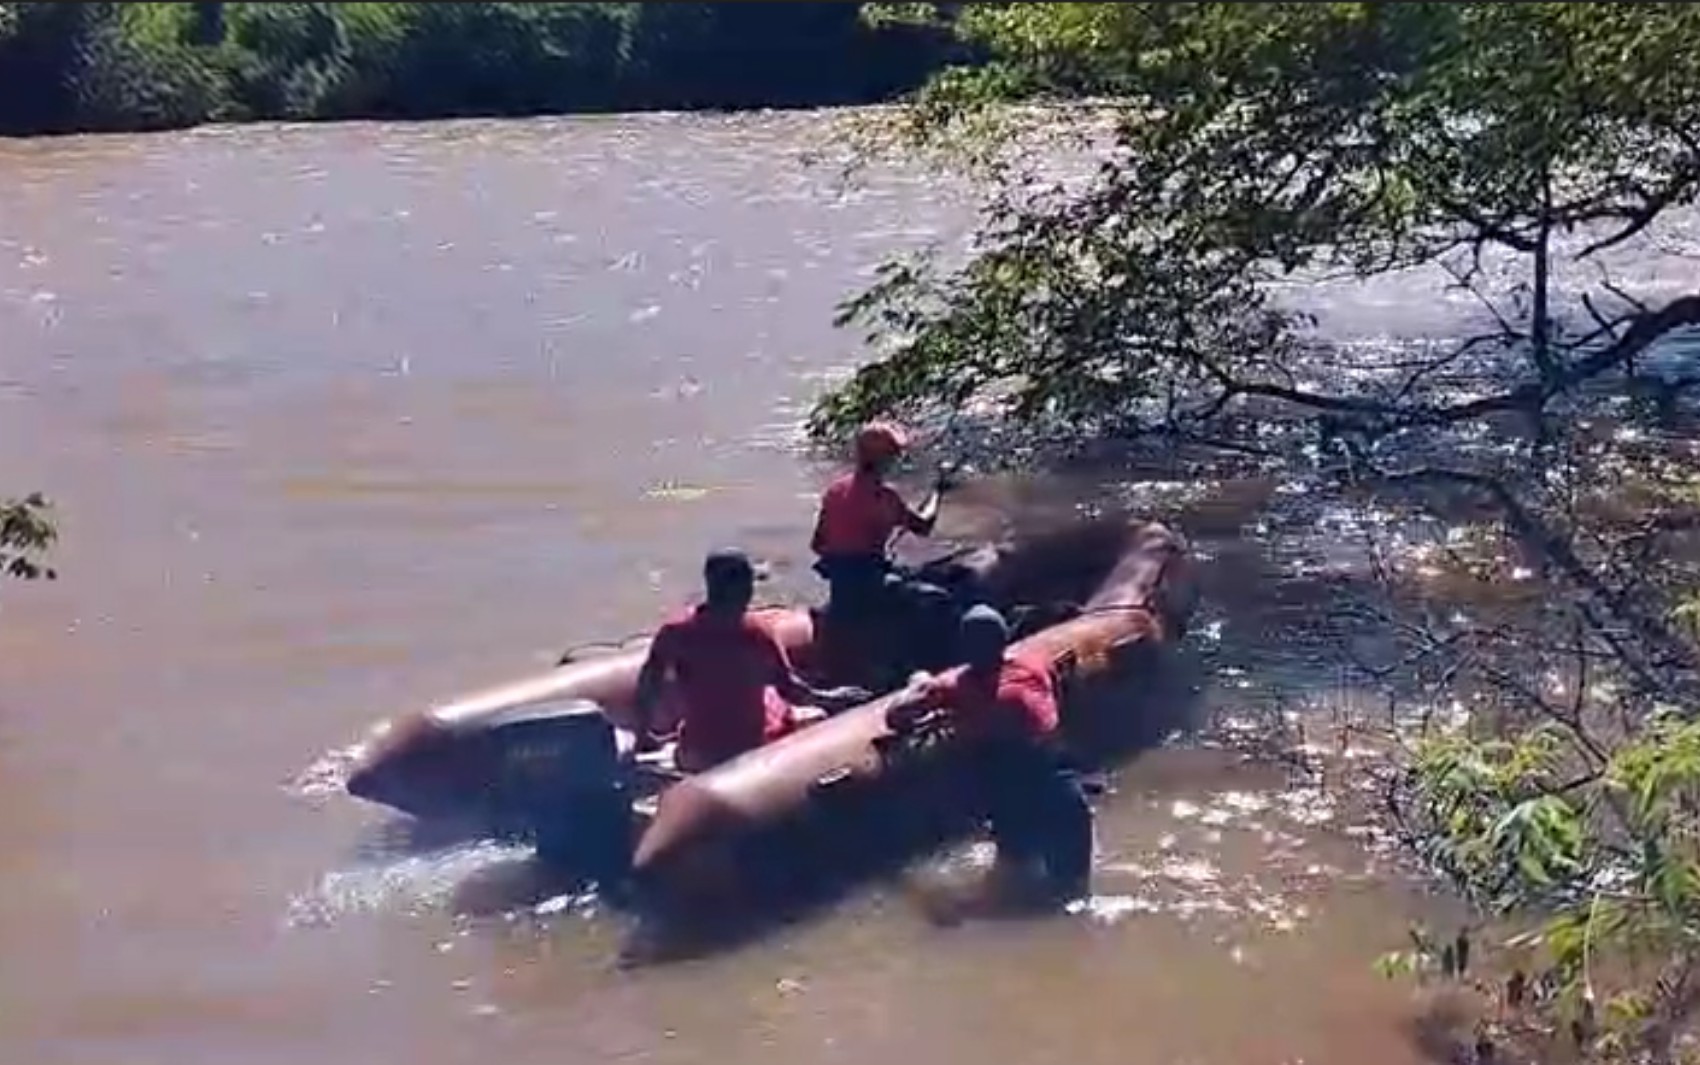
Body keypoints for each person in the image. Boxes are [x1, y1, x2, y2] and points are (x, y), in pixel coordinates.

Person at [886, 605, 1093, 902]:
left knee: (1013, 877)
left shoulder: (961, 687)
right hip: (1058, 784)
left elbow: (896, 715)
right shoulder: (1033, 665)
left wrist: (918, 682)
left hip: (1014, 792)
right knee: (1071, 894)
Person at [632, 549, 868, 772]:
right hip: (749, 750)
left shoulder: (676, 632)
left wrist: (644, 734)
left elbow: (649, 683)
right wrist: (835, 698)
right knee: (786, 706)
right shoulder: (756, 633)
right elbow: (792, 691)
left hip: (695, 752)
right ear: (746, 588)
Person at [810, 421, 957, 672]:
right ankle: (927, 664)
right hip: (868, 585)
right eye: (894, 455)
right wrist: (937, 493)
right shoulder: (883, 496)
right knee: (939, 600)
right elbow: (923, 526)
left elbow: (818, 544)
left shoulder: (835, 490)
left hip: (841, 584)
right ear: (885, 459)